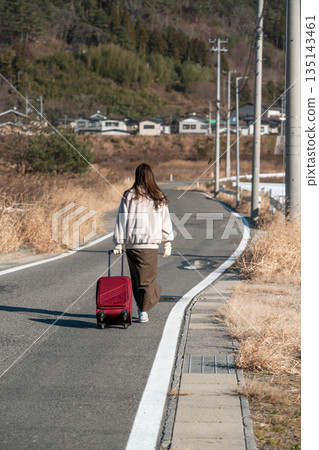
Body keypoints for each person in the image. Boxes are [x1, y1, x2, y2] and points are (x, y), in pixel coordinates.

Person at [113, 163, 174, 323]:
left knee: (138, 279)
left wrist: (119, 243)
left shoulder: (129, 195)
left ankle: (142, 308)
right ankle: (144, 309)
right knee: (147, 281)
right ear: (151, 177)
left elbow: (121, 220)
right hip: (149, 246)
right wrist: (167, 242)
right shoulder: (158, 197)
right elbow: (165, 221)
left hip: (131, 245)